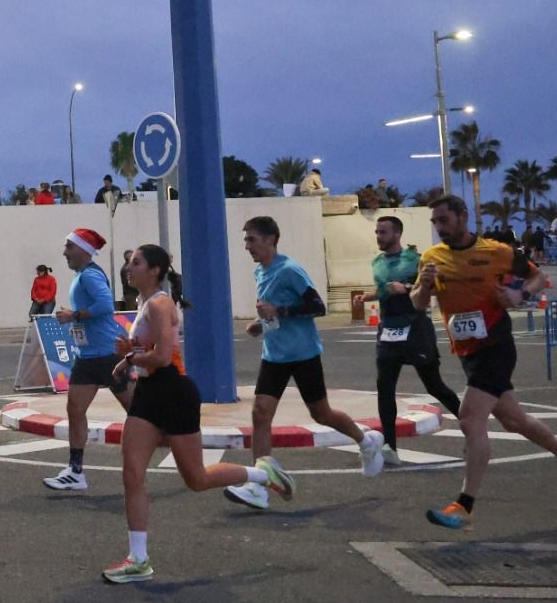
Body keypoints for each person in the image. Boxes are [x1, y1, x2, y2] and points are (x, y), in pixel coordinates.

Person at [102, 245, 290, 583]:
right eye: (129, 264)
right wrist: (128, 352)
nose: (128, 269)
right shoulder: (143, 304)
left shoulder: (160, 303)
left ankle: (263, 475)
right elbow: (152, 353)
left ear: (156, 270)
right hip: (148, 395)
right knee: (132, 473)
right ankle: (138, 559)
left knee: (197, 479)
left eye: (136, 263)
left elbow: (161, 359)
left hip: (173, 393)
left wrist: (130, 359)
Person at [412, 195, 557, 530]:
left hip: (496, 345)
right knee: (515, 421)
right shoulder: (431, 257)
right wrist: (423, 287)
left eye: (444, 220)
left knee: (470, 419)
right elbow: (418, 303)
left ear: (462, 217)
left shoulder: (496, 252)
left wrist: (519, 295)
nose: (439, 227)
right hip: (468, 352)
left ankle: (464, 506)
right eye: (435, 222)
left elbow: (538, 278)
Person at [226, 216, 384, 510]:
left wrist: (279, 310)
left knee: (321, 414)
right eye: (246, 240)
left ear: (271, 239)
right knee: (261, 414)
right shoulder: (260, 272)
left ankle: (366, 441)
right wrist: (261, 324)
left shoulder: (289, 270)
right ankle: (258, 485)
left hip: (302, 354)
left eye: (252, 239)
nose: (247, 246)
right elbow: (272, 314)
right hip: (274, 355)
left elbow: (317, 306)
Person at [363, 216, 461, 467]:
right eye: (377, 232)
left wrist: (406, 289)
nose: (378, 236)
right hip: (388, 330)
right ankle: (390, 447)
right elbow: (384, 289)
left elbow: (432, 290)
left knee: (434, 386)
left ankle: (471, 425)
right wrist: (369, 296)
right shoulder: (376, 263)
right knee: (385, 388)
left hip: (415, 328)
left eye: (383, 232)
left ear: (397, 234)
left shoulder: (415, 261)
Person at [43, 229, 133, 491]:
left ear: (83, 250)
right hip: (87, 357)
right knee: (75, 409)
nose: (64, 252)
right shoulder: (81, 276)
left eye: (69, 247)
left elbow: (106, 305)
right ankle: (75, 471)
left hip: (107, 355)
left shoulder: (91, 275)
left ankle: (180, 445)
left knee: (138, 411)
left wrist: (75, 316)